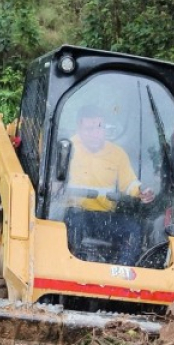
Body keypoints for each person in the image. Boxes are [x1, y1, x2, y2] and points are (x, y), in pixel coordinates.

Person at [63, 104, 155, 266]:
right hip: (75, 212)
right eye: (89, 129)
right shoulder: (67, 148)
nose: (95, 134)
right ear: (79, 128)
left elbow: (129, 183)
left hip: (104, 216)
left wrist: (141, 191)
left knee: (133, 230)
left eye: (99, 128)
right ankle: (72, 267)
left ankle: (122, 271)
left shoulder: (117, 153)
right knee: (74, 225)